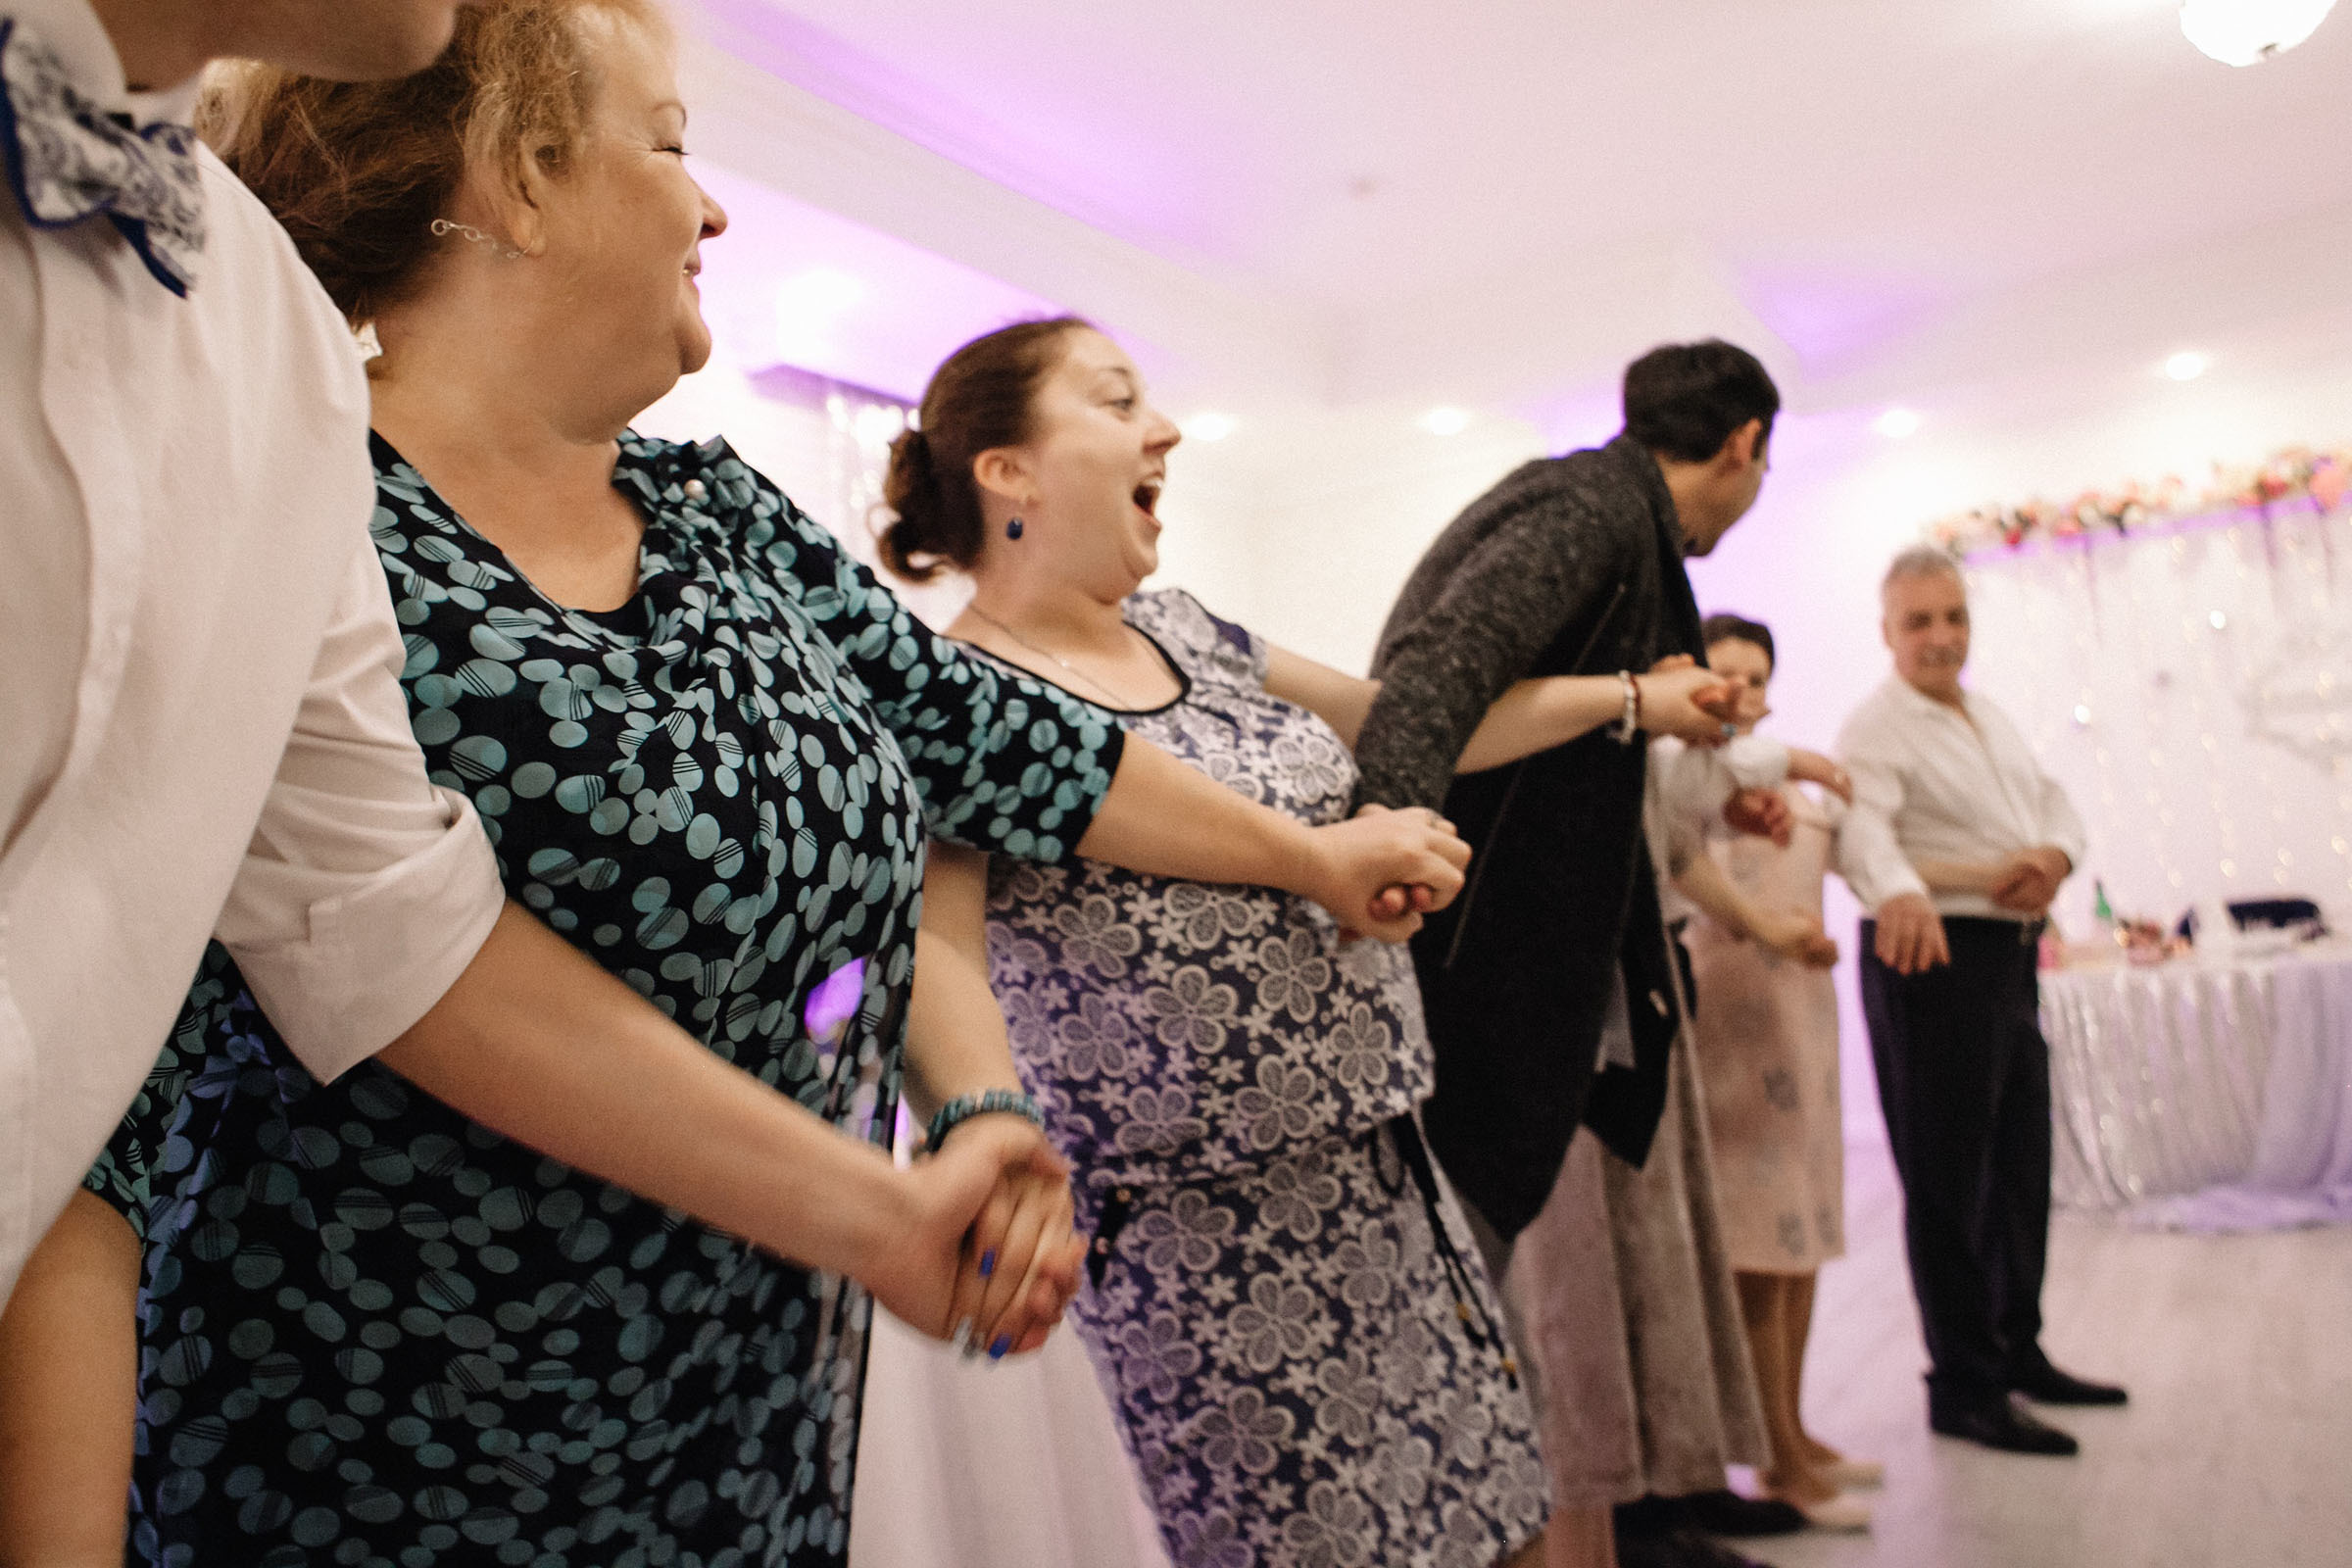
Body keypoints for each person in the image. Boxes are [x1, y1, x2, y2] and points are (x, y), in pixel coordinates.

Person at [0, 7, 1478, 1563]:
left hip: (756, 1417)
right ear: (519, 176)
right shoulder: (302, 498)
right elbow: (141, 1064)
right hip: (393, 1463)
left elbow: (1003, 744)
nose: (711, 207)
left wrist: (1302, 865)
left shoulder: (718, 519)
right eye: (670, 144)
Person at [882, 316, 1745, 1568]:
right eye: (1117, 402)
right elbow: (939, 948)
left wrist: (1632, 699)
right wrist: (980, 1124)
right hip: (1204, 1249)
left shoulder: (1187, 631)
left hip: (1390, 1176)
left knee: (1505, 1525)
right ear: (1007, 469)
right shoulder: (962, 702)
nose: (1164, 429)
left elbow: (1412, 718)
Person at [1350, 341, 1779, 1564]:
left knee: (1477, 1361)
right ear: (1745, 444)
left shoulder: (1601, 516)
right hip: (1469, 990)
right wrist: (1379, 885)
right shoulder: (1590, 513)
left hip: (1489, 984)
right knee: (1453, 1365)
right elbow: (1428, 683)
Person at [1838, 546, 2128, 1457]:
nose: (1941, 636)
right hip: (1931, 955)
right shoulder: (1876, 729)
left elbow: (2051, 802)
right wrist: (1910, 889)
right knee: (1948, 1180)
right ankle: (1963, 1384)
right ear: (1887, 632)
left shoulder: (1986, 714)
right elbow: (1861, 835)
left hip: (2007, 956)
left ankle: (2015, 1349)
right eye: (1919, 621)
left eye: (1954, 617)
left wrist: (2054, 856)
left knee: (2018, 1166)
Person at [1676, 613, 1883, 1528]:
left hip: (1801, 1023)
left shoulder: (1794, 797)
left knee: (1800, 1240)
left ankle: (1790, 1425)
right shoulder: (1691, 788)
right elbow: (1681, 880)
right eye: (1727, 676)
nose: (1744, 694)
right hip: (1730, 1029)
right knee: (1759, 1250)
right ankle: (1773, 1455)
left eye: (1757, 678)